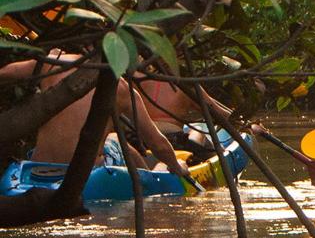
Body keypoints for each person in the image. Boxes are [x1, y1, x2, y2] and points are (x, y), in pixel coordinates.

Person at [0, 51, 190, 178]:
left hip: (36, 168)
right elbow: (157, 144)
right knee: (116, 139)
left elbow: (5, 72)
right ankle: (146, 180)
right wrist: (176, 165)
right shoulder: (120, 87)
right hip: (84, 173)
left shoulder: (52, 62)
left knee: (112, 138)